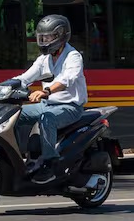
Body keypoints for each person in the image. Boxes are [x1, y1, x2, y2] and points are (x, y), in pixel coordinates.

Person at [13, 14, 87, 184]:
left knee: (47, 119)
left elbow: (67, 79)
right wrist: (4, 86)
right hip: (47, 104)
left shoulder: (73, 56)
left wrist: (46, 91)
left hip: (69, 107)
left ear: (60, 35)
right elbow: (25, 77)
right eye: (42, 37)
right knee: (13, 115)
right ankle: (14, 160)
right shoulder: (44, 59)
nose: (44, 40)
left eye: (48, 37)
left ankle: (50, 164)